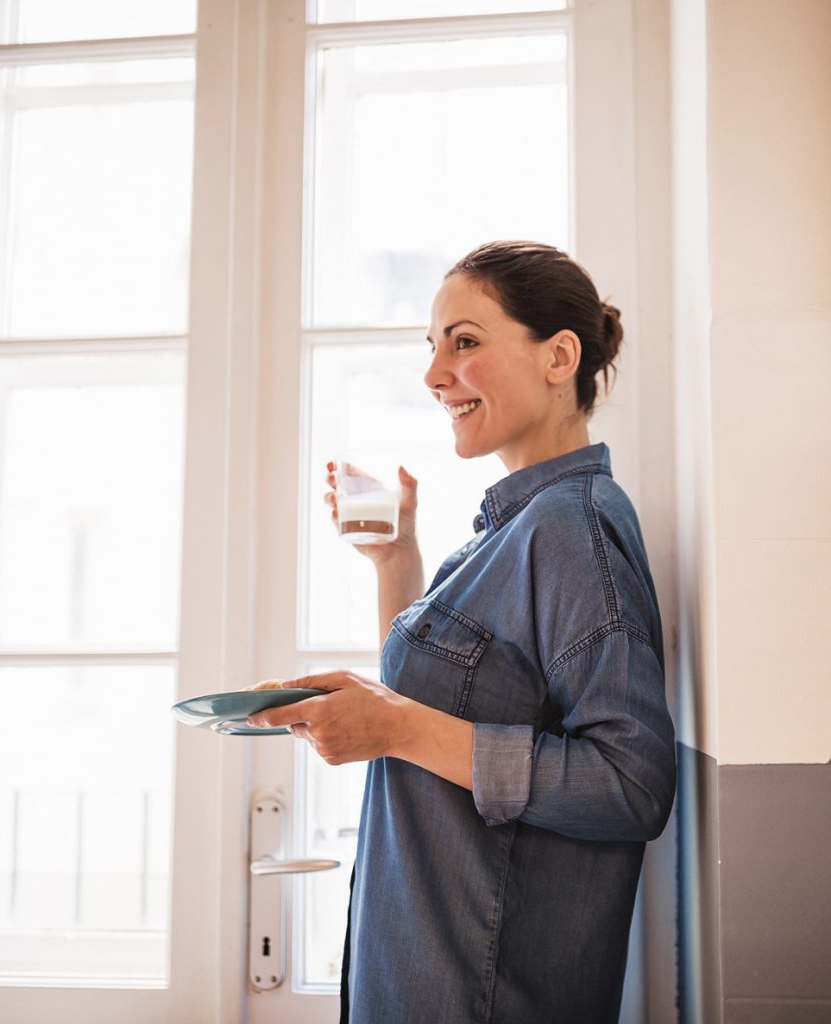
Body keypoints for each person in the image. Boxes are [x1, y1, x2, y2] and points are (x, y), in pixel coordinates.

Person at [247, 241, 676, 1024]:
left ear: (559, 356)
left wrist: (398, 727)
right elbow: (432, 704)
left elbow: (631, 786)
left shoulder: (571, 532)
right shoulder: (504, 532)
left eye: (465, 342)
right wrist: (395, 561)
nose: (435, 373)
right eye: (434, 346)